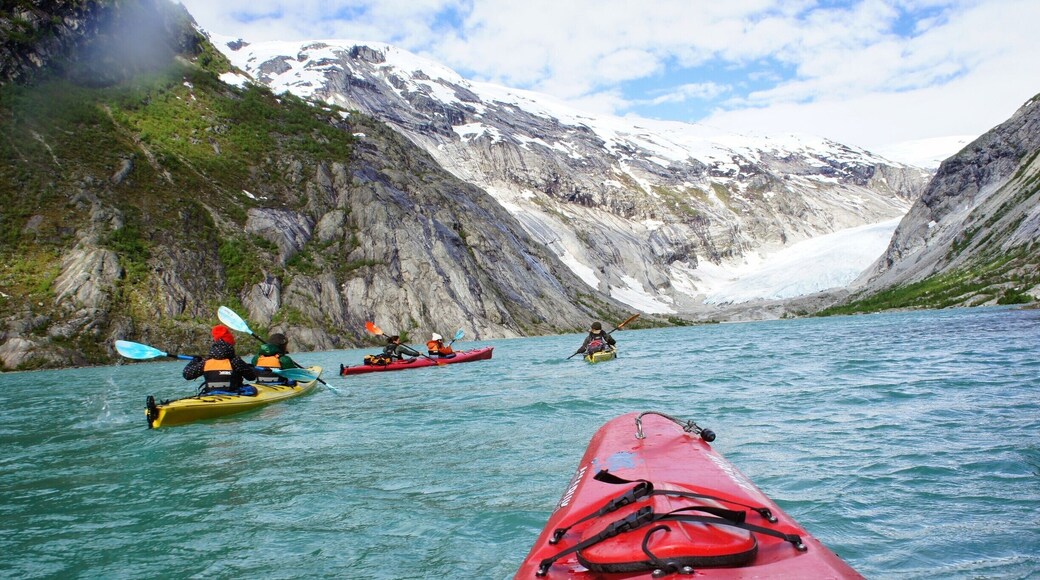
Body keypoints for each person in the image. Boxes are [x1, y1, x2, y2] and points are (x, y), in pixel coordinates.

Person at [183, 324, 258, 394]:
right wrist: (250, 367)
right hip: (234, 394)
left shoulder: (206, 362)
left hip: (210, 394)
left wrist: (195, 360)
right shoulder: (235, 361)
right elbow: (251, 377)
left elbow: (187, 374)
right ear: (230, 345)